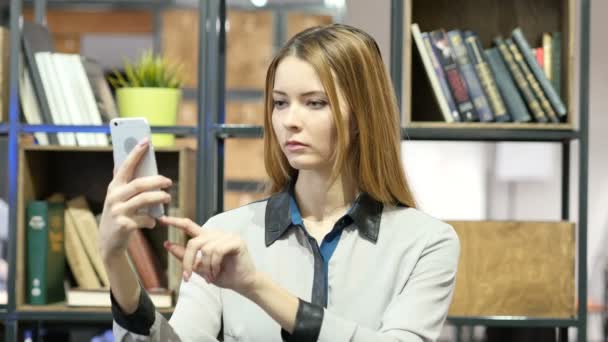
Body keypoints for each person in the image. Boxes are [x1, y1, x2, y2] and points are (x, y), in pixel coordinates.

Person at [100, 24, 460, 342]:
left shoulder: (426, 243)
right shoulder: (226, 232)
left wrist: (255, 286)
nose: (290, 120)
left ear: (361, 116)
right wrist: (115, 257)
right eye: (280, 103)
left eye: (315, 103)